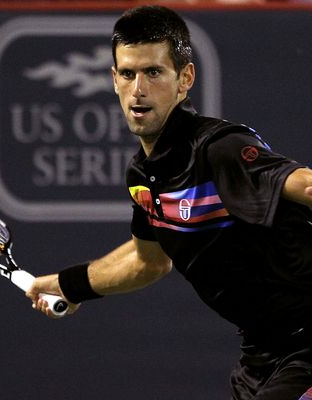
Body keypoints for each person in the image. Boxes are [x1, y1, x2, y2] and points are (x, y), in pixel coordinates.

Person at [26, 5, 312, 399]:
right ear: (113, 80)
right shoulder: (142, 177)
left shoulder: (220, 148)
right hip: (260, 360)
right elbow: (150, 260)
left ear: (185, 78)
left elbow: (307, 186)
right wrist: (72, 284)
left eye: (154, 72)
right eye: (127, 74)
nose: (139, 89)